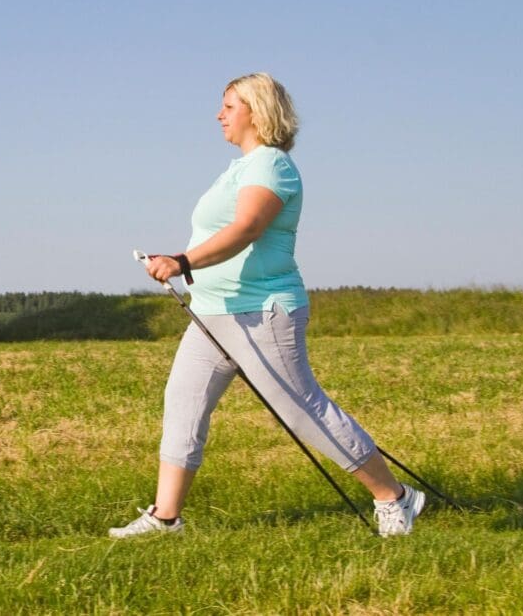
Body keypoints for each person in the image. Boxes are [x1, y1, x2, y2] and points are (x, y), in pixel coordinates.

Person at [109, 73, 424, 539]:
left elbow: (248, 228)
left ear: (257, 112)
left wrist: (181, 261)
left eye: (229, 106)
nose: (219, 115)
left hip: (263, 312)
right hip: (213, 312)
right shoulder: (236, 169)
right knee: (183, 406)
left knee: (304, 410)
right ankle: (166, 517)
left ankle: (395, 498)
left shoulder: (272, 165)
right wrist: (181, 260)